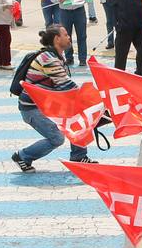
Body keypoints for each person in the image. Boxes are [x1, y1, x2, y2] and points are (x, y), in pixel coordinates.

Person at [12, 25, 94, 171]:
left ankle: (79, 156)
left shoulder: (55, 56)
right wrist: (94, 100)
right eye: (66, 35)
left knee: (77, 118)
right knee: (57, 138)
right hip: (32, 108)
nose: (69, 38)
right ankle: (23, 156)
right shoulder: (48, 59)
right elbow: (67, 86)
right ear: (57, 39)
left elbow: (65, 87)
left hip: (46, 104)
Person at [50, 0, 92, 65]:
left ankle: (82, 59)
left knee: (82, 35)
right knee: (66, 36)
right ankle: (69, 58)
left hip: (79, 11)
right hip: (65, 12)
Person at [107, 0, 142, 75]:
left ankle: (119, 72)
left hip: (124, 26)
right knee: (141, 50)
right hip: (139, 25)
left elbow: (110, 1)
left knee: (121, 53)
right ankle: (141, 70)